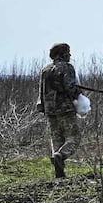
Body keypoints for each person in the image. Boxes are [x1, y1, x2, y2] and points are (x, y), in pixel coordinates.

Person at [36, 42, 82, 179]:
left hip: (50, 111)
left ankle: (59, 171)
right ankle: (60, 156)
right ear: (62, 54)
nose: (70, 55)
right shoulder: (67, 68)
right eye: (68, 52)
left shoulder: (45, 70)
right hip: (65, 109)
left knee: (56, 139)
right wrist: (79, 93)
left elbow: (41, 91)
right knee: (74, 137)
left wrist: (42, 106)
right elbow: (70, 87)